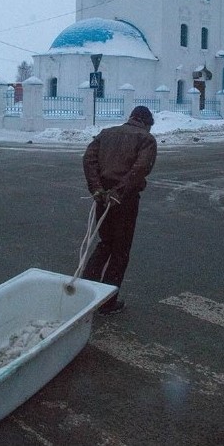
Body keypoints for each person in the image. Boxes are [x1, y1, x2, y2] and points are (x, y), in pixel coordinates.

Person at [82, 105, 157, 314]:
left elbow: (89, 160)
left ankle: (84, 293)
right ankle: (107, 303)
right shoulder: (146, 139)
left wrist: (97, 188)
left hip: (103, 197)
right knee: (120, 251)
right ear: (146, 123)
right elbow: (140, 169)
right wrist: (120, 192)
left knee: (105, 243)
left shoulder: (106, 134)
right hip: (125, 200)